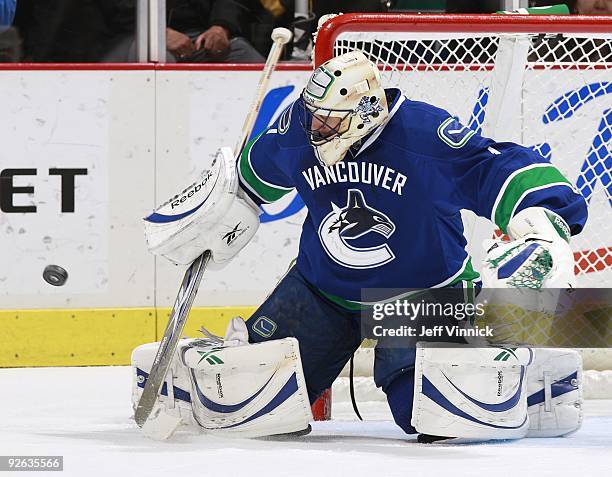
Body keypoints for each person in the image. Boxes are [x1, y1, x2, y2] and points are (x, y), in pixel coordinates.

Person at [144, 51, 587, 439]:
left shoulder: (425, 137)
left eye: (328, 121)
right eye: (313, 116)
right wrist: (224, 199)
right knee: (252, 403)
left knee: (440, 414)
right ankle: (193, 372)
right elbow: (253, 174)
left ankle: (531, 382)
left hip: (420, 296)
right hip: (321, 289)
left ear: (365, 111)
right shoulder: (301, 128)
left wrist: (542, 220)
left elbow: (499, 167)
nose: (315, 129)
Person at [104, 0, 264, 63]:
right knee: (156, 62)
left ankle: (263, 135)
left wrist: (222, 27)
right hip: (138, 34)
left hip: (203, 36)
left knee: (247, 57)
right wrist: (157, 31)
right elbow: (114, 7)